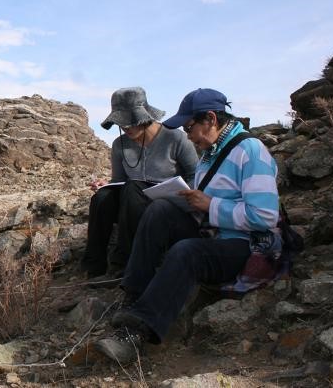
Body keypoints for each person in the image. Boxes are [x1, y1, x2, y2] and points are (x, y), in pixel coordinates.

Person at [94, 88, 280, 364]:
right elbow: (205, 201)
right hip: (212, 232)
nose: (188, 135)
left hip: (242, 245)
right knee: (159, 210)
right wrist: (186, 200)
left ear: (211, 119)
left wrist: (210, 206)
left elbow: (265, 217)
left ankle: (135, 334)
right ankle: (134, 295)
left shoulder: (250, 151)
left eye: (189, 127)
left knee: (186, 251)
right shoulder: (209, 154)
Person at [81, 87, 197, 280]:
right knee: (102, 197)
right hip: (132, 203)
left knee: (133, 188)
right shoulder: (119, 144)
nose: (127, 127)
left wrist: (188, 198)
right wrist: (106, 185)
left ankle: (124, 264)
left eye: (131, 121)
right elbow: (119, 181)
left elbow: (195, 174)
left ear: (145, 116)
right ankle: (94, 267)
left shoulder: (175, 138)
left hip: (166, 206)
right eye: (122, 123)